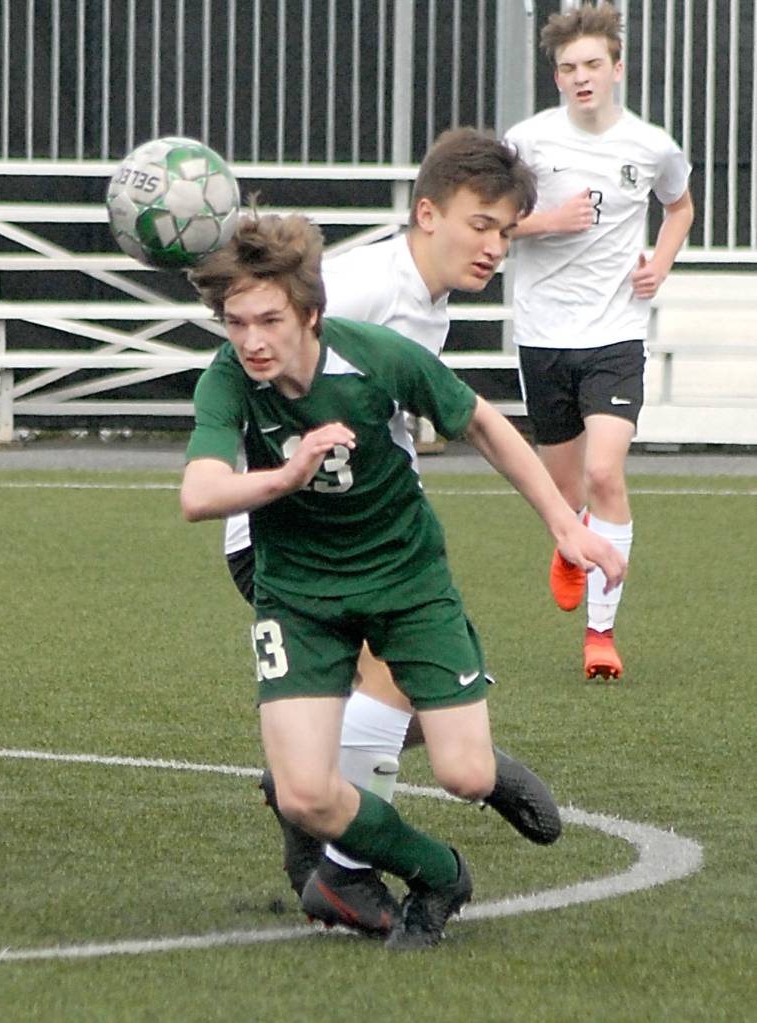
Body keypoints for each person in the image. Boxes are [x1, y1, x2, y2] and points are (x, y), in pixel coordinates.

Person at [180, 209, 627, 949]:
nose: (252, 340)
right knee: (302, 791)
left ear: (310, 313)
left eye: (268, 319)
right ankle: (437, 872)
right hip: (297, 595)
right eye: (235, 322)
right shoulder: (228, 379)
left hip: (405, 580)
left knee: (463, 771)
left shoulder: (375, 356)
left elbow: (480, 422)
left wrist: (562, 521)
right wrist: (286, 474)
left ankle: (480, 771)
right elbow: (198, 494)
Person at [221, 129, 562, 934]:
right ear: (426, 212)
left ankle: (322, 823)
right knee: (394, 678)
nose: (493, 247)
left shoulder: (425, 298)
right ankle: (336, 857)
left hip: (363, 530)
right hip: (289, 532)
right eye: (481, 224)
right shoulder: (360, 285)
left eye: (506, 232)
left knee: (384, 689)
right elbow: (251, 359)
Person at [505, 1, 694, 680]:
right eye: (567, 67)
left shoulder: (649, 145)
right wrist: (547, 220)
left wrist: (660, 262)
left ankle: (599, 636)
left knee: (605, 472)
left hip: (614, 331)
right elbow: (487, 221)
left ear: (616, 67)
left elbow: (679, 206)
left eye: (592, 64)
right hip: (542, 333)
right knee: (565, 491)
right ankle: (569, 533)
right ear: (554, 77)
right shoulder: (524, 141)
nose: (580, 76)